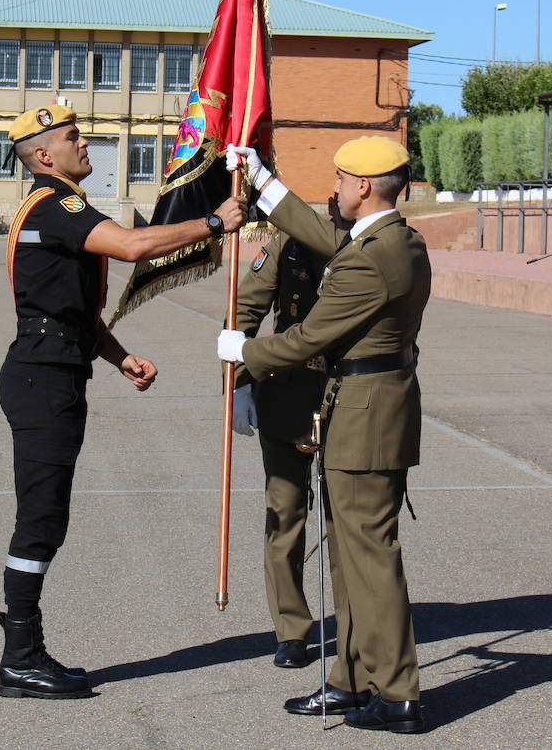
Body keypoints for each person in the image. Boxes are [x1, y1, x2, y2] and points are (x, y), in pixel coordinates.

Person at [0, 103, 246, 700]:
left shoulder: (57, 206)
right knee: (40, 520)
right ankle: (20, 657)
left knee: (47, 518)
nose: (87, 145)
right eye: (74, 137)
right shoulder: (58, 204)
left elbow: (71, 311)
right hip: (42, 377)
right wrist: (212, 224)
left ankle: (25, 650)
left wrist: (118, 355)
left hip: (53, 366)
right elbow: (133, 247)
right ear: (43, 155)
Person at [218, 136, 430, 734]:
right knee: (351, 554)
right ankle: (354, 678)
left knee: (369, 556)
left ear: (363, 186)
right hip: (364, 406)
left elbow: (310, 336)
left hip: (364, 412)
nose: (333, 188)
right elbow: (324, 237)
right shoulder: (398, 239)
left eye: (339, 179)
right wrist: (262, 181)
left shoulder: (369, 256)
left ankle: (396, 691)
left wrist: (244, 353)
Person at [232, 201, 352, 670]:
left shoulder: (371, 245)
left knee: (346, 519)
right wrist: (241, 380)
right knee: (284, 513)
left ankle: (356, 623)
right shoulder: (287, 242)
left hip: (348, 392)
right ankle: (291, 629)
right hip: (287, 388)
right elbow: (245, 308)